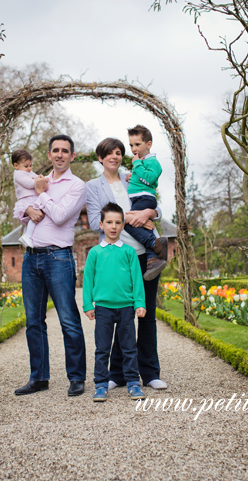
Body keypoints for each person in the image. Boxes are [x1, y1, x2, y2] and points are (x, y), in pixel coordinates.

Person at [85, 137, 168, 391]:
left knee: (147, 314)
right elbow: (91, 222)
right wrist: (125, 218)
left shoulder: (130, 177)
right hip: (117, 257)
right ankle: (118, 375)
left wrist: (148, 214)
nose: (115, 157)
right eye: (109, 153)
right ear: (100, 158)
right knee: (120, 316)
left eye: (119, 153)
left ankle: (150, 373)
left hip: (146, 254)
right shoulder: (92, 186)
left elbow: (153, 203)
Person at [14, 134, 87, 397]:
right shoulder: (37, 180)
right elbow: (20, 210)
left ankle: (76, 377)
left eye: (64, 151)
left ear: (72, 156)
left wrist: (41, 197)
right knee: (34, 321)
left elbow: (58, 216)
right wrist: (27, 212)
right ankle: (39, 378)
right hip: (31, 257)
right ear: (48, 155)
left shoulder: (77, 186)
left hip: (58, 258)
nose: (59, 154)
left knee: (68, 319)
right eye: (55, 150)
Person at [83, 203, 147, 402]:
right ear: (101, 225)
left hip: (126, 307)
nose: (113, 226)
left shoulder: (129, 252)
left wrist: (139, 303)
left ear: (122, 226)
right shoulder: (94, 253)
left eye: (118, 222)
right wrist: (87, 305)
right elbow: (87, 280)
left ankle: (133, 383)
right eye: (109, 222)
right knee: (102, 349)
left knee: (129, 348)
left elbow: (137, 279)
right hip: (103, 308)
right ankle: (101, 385)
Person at [125, 125, 168, 281]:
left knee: (128, 222)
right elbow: (142, 178)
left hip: (145, 198)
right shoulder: (142, 162)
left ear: (148, 144)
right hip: (140, 197)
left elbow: (149, 178)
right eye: (131, 145)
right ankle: (153, 257)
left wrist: (136, 165)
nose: (133, 148)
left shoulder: (154, 162)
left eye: (137, 144)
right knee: (137, 223)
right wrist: (132, 176)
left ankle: (155, 244)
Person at [11, 149, 43, 248]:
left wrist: (40, 177)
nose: (29, 168)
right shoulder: (18, 174)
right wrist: (39, 182)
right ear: (16, 165)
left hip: (31, 198)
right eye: (26, 166)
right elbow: (29, 183)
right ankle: (28, 236)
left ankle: (26, 237)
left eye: (30, 165)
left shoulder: (27, 172)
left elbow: (36, 176)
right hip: (27, 200)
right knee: (35, 217)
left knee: (30, 220)